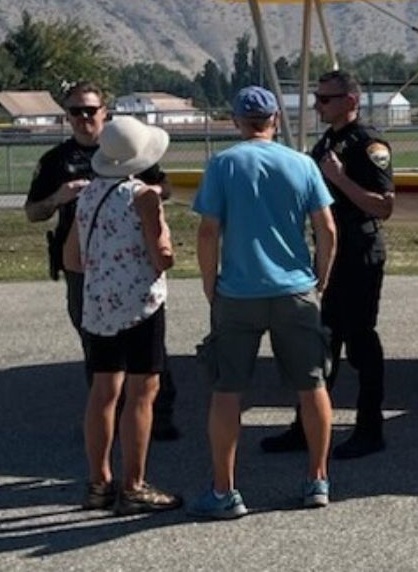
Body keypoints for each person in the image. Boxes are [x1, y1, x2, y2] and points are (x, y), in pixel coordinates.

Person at [188, 86, 337, 519]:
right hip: (295, 290)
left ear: (237, 121)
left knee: (227, 389)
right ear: (275, 119)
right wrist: (321, 275)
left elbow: (207, 231)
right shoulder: (302, 163)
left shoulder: (223, 164)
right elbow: (326, 228)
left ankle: (224, 490)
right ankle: (317, 479)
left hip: (238, 291)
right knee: (312, 385)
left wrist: (208, 281)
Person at [24, 82, 180, 440]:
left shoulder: (131, 150)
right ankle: (112, 413)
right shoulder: (57, 161)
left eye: (89, 110)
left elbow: (165, 188)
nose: (82, 118)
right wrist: (59, 198)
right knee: (96, 340)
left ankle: (159, 413)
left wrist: (141, 197)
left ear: (104, 112)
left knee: (148, 339)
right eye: (74, 111)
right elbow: (33, 212)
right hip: (84, 265)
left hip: (135, 262)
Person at [261, 69, 395, 460]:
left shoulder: (369, 144)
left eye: (326, 99)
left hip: (360, 251)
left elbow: (384, 206)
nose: (318, 106)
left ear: (350, 101)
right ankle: (307, 427)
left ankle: (371, 428)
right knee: (323, 342)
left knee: (361, 341)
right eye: (317, 99)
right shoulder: (327, 142)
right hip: (331, 251)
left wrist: (339, 177)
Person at [64, 115, 182, 515]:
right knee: (141, 394)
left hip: (99, 305)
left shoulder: (87, 195)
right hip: (139, 305)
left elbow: (74, 257)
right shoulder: (143, 195)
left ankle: (98, 482)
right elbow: (161, 256)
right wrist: (166, 244)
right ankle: (133, 484)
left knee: (102, 392)